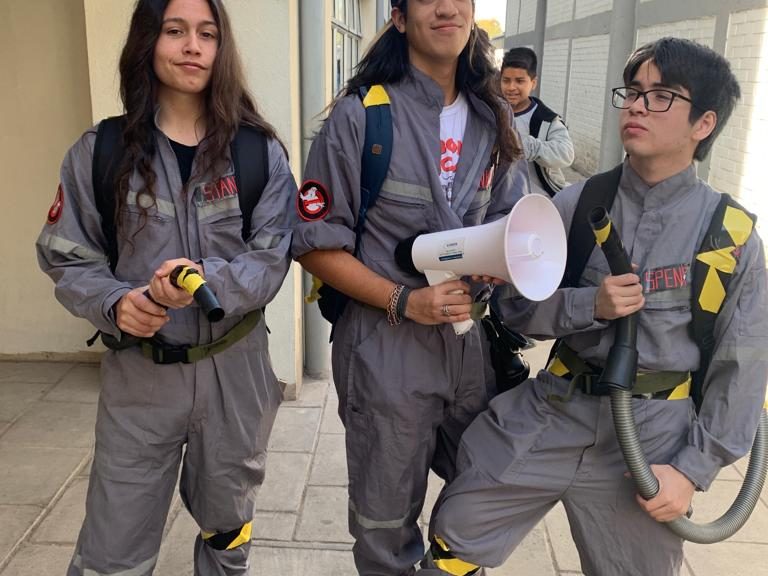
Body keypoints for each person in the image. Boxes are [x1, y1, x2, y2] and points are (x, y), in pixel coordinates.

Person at [422, 37, 768, 575]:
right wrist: (591, 305)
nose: (636, 107)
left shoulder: (730, 236)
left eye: (661, 96)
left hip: (651, 440)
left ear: (704, 123)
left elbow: (742, 368)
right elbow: (514, 309)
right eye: (632, 92)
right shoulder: (577, 204)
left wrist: (691, 470)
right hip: (553, 411)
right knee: (456, 532)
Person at [35, 0, 297, 574]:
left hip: (235, 375)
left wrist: (202, 281)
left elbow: (272, 256)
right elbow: (66, 255)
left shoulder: (258, 152)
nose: (192, 46)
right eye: (175, 31)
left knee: (228, 527)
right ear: (148, 41)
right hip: (141, 378)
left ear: (222, 48)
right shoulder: (101, 151)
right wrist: (115, 303)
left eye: (207, 33)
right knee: (113, 546)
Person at [291, 0, 528, 574]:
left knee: (483, 496)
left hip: (468, 348)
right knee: (385, 522)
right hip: (385, 350)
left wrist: (497, 266)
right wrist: (405, 300)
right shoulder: (362, 117)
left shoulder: (492, 117)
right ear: (399, 18)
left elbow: (511, 221)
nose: (447, 8)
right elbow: (313, 245)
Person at [500, 46, 574, 196]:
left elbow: (566, 154)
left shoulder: (546, 120)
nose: (511, 87)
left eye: (519, 81)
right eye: (506, 80)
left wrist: (527, 146)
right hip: (499, 200)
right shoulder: (492, 114)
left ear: (533, 83)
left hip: (537, 199)